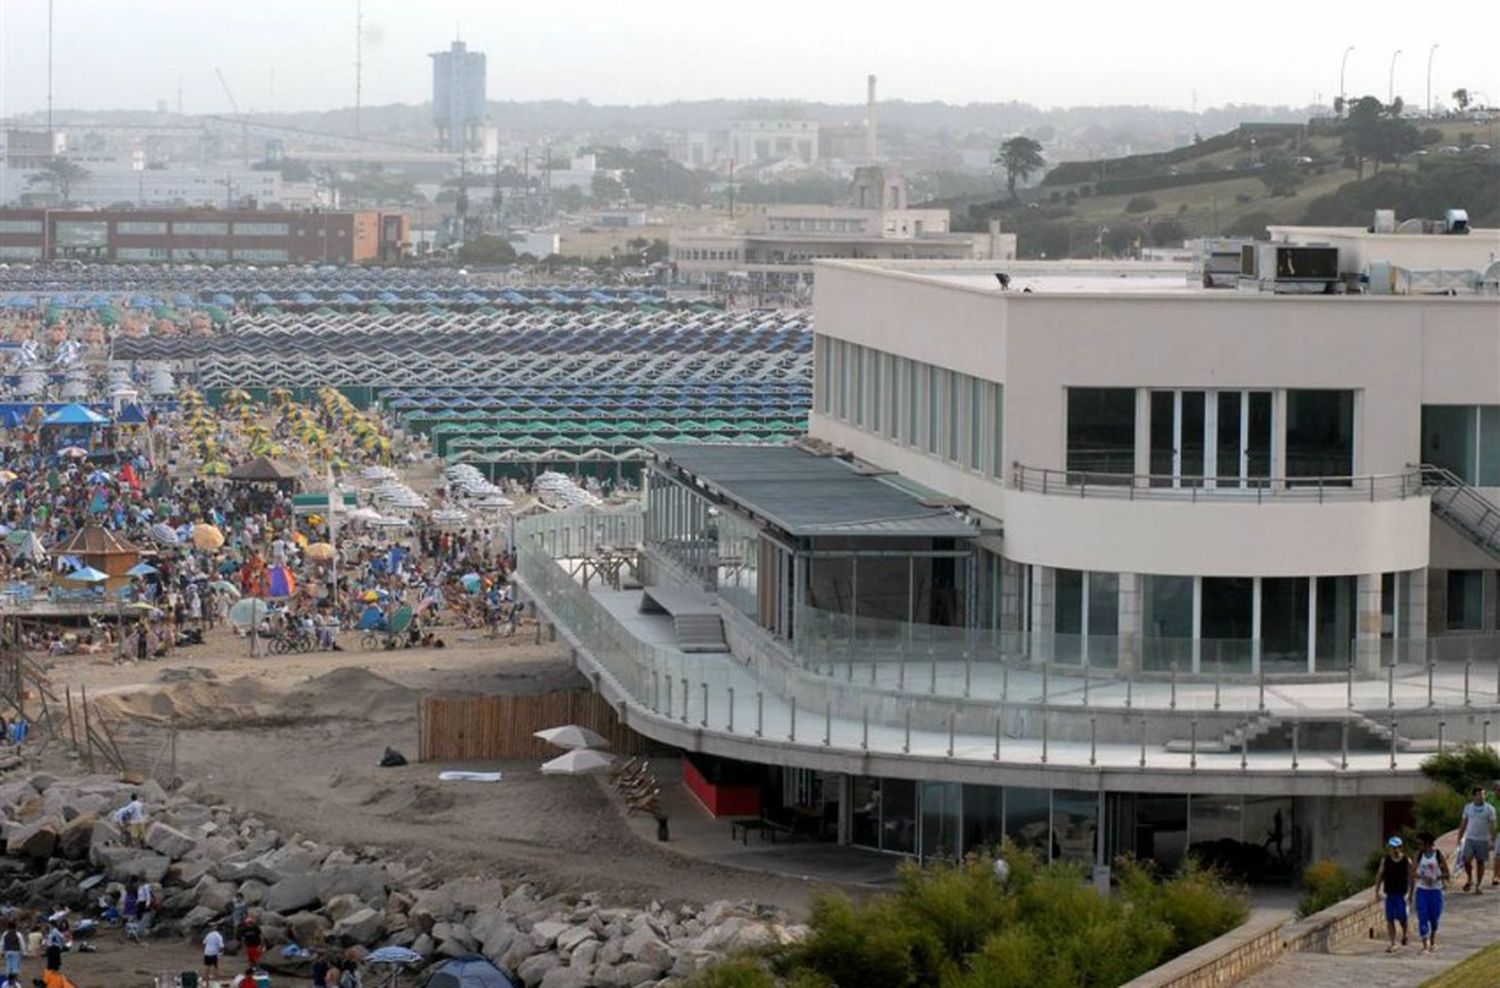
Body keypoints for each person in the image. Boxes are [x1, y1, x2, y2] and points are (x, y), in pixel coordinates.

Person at [1412, 831, 1450, 955]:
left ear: (1427, 843)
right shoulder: (1418, 855)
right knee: (1422, 917)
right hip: (1422, 890)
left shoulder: (1438, 855)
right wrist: (1423, 877)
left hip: (1435, 891)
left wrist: (1435, 878)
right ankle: (1425, 944)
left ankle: (1432, 938)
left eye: (1420, 843)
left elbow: (1447, 873)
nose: (1419, 846)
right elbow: (1413, 873)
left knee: (1434, 918)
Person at [1372, 835, 1411, 952]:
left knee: (1401, 917)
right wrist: (1377, 890)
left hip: (1401, 894)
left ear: (1401, 847)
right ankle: (1392, 943)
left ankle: (1405, 933)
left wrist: (1411, 893)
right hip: (1389, 894)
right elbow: (1380, 875)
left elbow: (1411, 878)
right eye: (1392, 847)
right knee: (1390, 919)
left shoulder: (1406, 861)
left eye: (1396, 847)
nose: (1394, 849)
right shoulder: (1386, 860)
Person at [1457, 786, 1497, 892]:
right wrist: (1459, 837)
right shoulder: (1468, 807)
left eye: (1483, 794)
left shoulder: (1489, 809)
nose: (1482, 796)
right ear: (1474, 796)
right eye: (1479, 794)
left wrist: (1492, 840)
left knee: (1480, 862)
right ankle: (1470, 878)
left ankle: (1478, 885)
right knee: (1466, 859)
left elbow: (1492, 825)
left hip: (1483, 839)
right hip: (1470, 838)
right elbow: (1464, 823)